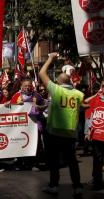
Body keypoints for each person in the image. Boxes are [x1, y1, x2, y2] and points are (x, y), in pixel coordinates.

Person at [39, 52, 84, 196]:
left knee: (53, 161)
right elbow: (81, 105)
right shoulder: (78, 94)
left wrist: (50, 58)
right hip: (70, 132)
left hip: (54, 132)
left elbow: (41, 72)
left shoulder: (56, 90)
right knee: (72, 161)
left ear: (58, 81)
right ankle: (77, 187)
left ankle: (54, 186)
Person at [83, 81, 104, 190]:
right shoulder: (96, 99)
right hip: (97, 136)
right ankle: (97, 182)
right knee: (97, 160)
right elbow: (83, 103)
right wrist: (87, 131)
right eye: (102, 86)